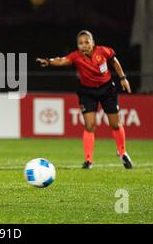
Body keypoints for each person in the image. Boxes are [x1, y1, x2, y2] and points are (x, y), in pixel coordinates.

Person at [36, 30, 133, 169]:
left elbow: (114, 61)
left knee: (115, 124)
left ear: (93, 43)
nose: (84, 45)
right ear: (78, 45)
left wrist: (123, 78)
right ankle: (88, 160)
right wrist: (49, 62)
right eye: (81, 43)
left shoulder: (103, 51)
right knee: (90, 125)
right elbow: (63, 60)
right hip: (87, 92)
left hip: (107, 89)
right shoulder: (76, 56)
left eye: (87, 42)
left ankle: (122, 152)